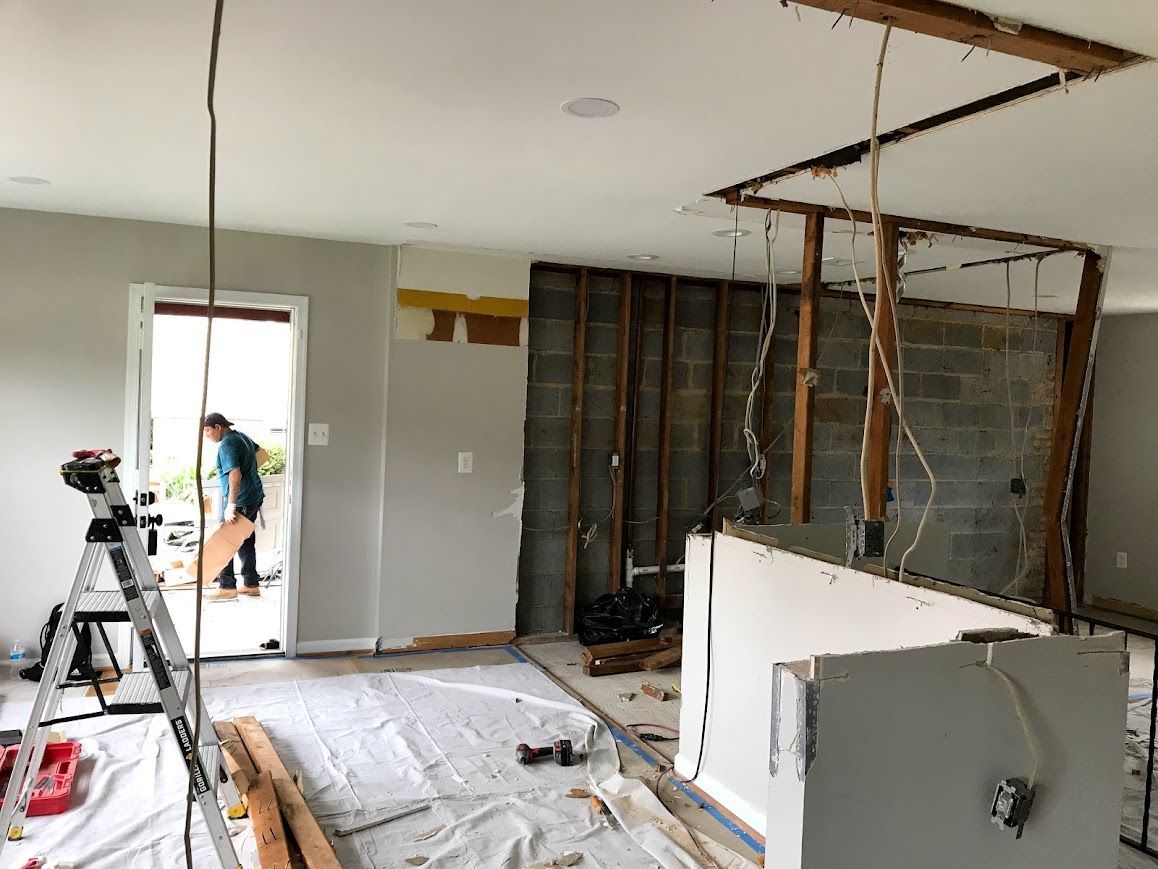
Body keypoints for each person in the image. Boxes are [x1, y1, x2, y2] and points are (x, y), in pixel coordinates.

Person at [201, 412, 265, 601]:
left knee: (225, 542)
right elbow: (261, 453)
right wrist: (249, 472)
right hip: (254, 495)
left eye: (207, 430)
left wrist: (231, 505)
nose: (206, 435)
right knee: (245, 541)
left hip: (242, 501)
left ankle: (227, 587)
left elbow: (234, 474)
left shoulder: (227, 444)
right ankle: (251, 584)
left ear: (218, 427)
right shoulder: (242, 436)